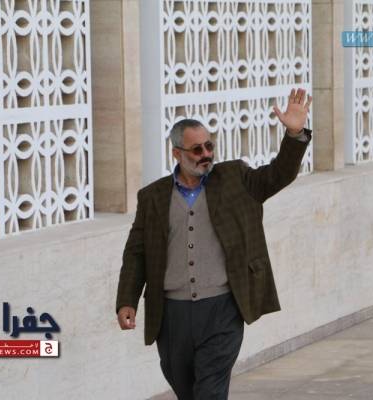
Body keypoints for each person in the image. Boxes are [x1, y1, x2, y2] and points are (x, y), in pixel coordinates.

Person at [116, 89, 313, 399]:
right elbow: (136, 252)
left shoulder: (235, 178)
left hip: (222, 309)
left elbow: (278, 175)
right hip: (171, 314)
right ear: (177, 154)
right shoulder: (152, 197)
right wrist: (126, 299)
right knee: (187, 390)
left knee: (210, 392)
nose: (206, 154)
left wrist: (294, 134)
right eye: (196, 149)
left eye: (209, 146)